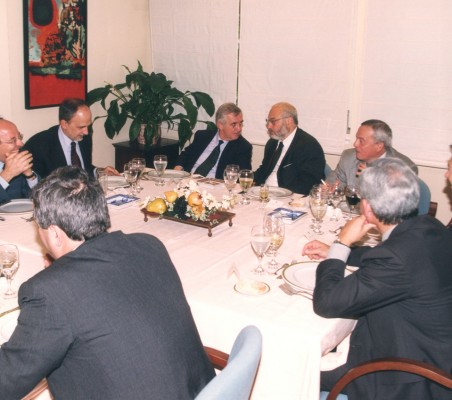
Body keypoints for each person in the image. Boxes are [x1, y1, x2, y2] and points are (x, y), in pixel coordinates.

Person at [0, 166, 215, 399]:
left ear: (54, 234)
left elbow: (7, 382)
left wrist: (58, 278)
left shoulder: (49, 293)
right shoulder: (149, 245)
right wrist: (62, 271)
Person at [302, 158, 452, 400]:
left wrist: (342, 243)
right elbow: (393, 259)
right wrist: (337, 252)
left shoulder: (394, 258)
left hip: (405, 377)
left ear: (367, 208)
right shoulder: (429, 226)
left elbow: (326, 303)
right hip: (430, 351)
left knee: (293, 370)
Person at [23, 98, 119, 179]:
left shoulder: (84, 137)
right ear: (64, 124)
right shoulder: (39, 145)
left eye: (88, 125)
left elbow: (84, 168)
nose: (86, 132)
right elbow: (35, 184)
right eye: (81, 127)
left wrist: (99, 171)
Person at [253, 102, 325, 195]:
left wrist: (279, 195)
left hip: (288, 197)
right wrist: (245, 178)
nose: (268, 126)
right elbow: (263, 170)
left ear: (289, 121)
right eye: (268, 121)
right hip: (263, 193)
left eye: (273, 121)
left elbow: (308, 183)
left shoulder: (309, 146)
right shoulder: (272, 143)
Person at [327, 119, 418, 188]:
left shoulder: (405, 168)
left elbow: (395, 203)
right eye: (356, 138)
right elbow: (333, 183)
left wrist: (372, 179)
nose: (355, 144)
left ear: (379, 146)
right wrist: (329, 189)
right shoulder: (349, 157)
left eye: (361, 141)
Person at [174, 102, 252, 178]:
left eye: (240, 123)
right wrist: (178, 167)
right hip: (187, 180)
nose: (239, 128)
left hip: (213, 184)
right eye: (234, 124)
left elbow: (243, 177)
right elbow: (186, 154)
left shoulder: (243, 147)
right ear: (220, 125)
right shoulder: (202, 136)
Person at [0, 118, 39, 202]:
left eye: (20, 137)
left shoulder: (17, 159)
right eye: (12, 141)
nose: (21, 143)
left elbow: (43, 197)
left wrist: (30, 176)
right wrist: (6, 175)